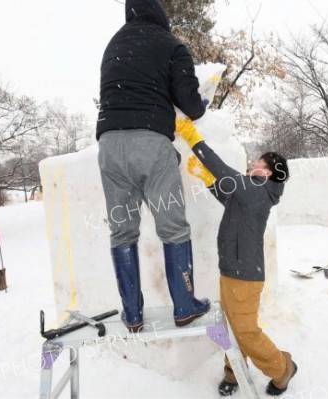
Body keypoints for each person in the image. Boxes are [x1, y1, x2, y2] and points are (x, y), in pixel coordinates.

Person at [96, 0, 209, 332]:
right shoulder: (171, 45)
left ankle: (132, 315)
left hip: (109, 146)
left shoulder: (113, 44)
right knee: (173, 228)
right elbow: (190, 103)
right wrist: (198, 103)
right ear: (161, 14)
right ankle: (184, 306)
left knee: (122, 230)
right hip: (150, 144)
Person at [175, 119, 297, 397]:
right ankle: (234, 372)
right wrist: (207, 181)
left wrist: (194, 139)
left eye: (259, 162)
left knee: (247, 332)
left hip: (244, 276)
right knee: (232, 327)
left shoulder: (258, 190)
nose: (253, 162)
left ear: (268, 173)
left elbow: (223, 172)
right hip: (231, 271)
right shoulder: (251, 193)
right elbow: (227, 196)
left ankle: (282, 368)